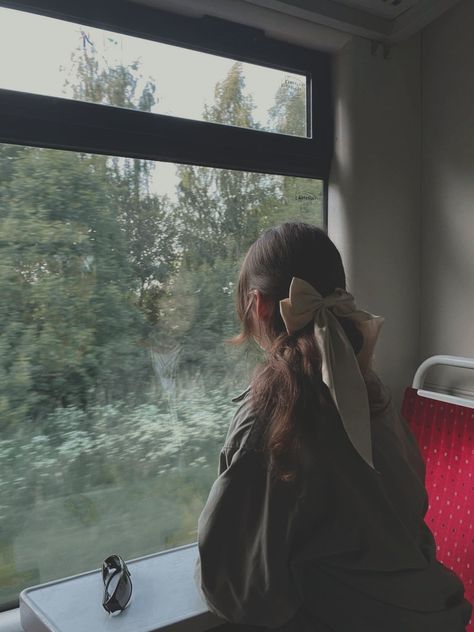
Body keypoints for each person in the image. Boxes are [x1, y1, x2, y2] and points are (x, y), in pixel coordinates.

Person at [194, 222, 472, 631]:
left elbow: (236, 588)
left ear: (259, 305)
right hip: (435, 610)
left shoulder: (267, 419)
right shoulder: (370, 391)